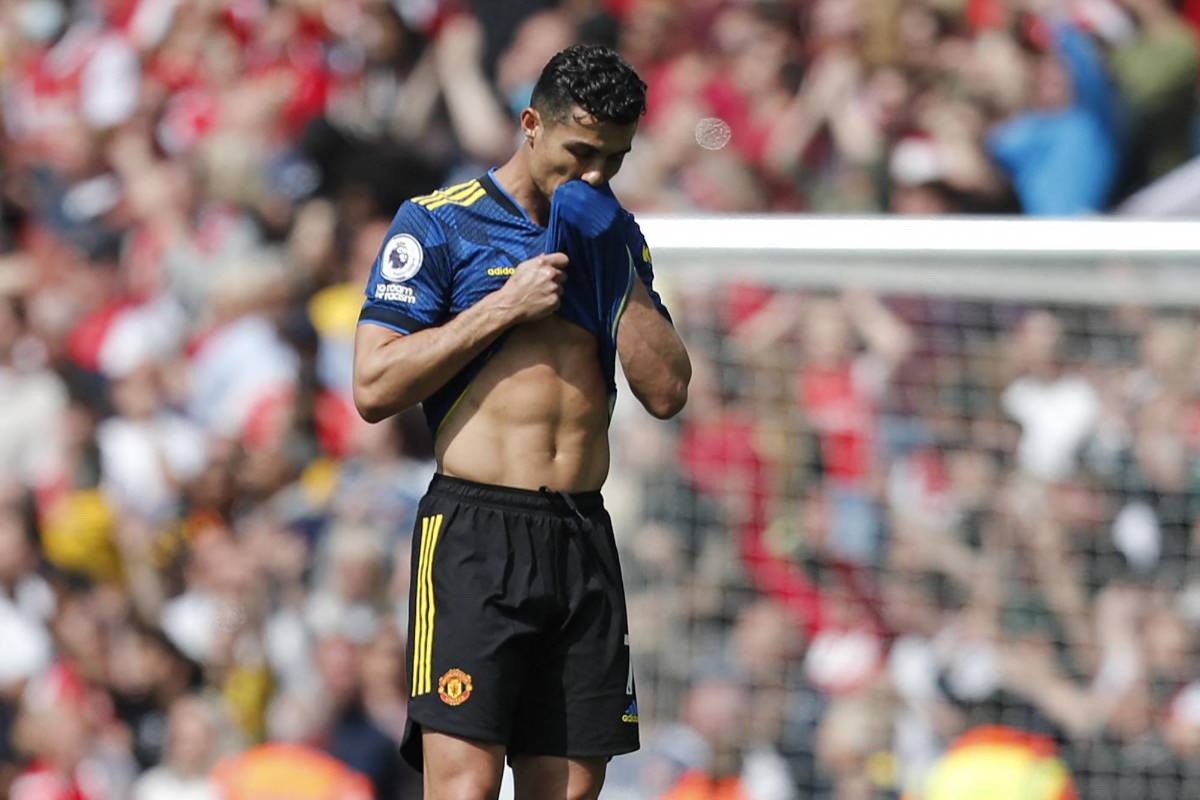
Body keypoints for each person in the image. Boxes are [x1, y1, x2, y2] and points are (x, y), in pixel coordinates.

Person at [352, 43, 691, 800]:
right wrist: (504, 306)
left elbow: (666, 391)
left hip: (580, 536)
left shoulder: (617, 236)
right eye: (580, 152)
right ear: (531, 124)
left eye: (614, 158)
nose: (595, 176)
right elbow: (373, 386)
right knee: (465, 788)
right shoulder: (438, 225)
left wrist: (616, 275)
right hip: (476, 534)